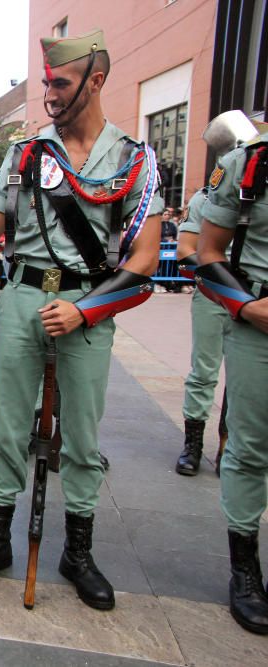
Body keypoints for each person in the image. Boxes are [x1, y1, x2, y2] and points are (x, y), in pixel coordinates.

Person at [0, 29, 162, 610]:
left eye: (60, 82)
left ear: (96, 80)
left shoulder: (133, 159)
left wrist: (84, 309)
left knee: (81, 438)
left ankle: (77, 551)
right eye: (47, 83)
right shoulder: (26, 153)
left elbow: (144, 258)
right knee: (10, 429)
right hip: (23, 303)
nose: (50, 94)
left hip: (90, 306)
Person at [194, 120, 268, 634]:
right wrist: (246, 305)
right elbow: (206, 252)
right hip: (259, 318)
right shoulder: (247, 166)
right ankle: (245, 569)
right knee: (250, 445)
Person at [173, 188, 227, 475]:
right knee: (204, 372)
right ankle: (193, 444)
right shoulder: (207, 197)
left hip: (261, 297)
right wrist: (229, 287)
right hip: (214, 293)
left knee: (251, 379)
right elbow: (185, 250)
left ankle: (229, 446)